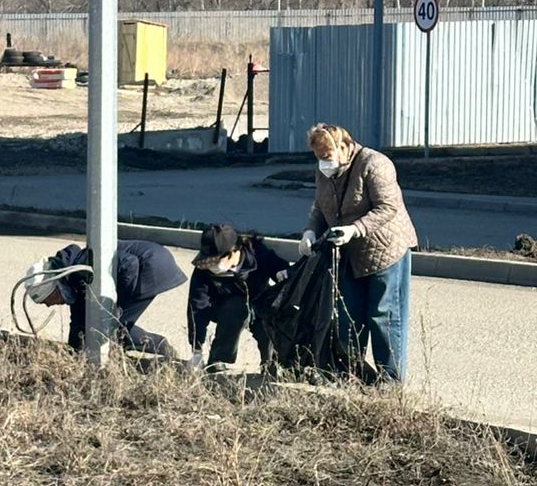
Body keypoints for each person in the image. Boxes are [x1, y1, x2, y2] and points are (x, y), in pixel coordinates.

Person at [299, 122, 417, 381]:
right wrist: (310, 231)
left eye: (327, 156)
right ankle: (350, 375)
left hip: (385, 250)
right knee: (348, 316)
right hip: (349, 253)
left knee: (383, 316)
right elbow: (320, 206)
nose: (323, 163)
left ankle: (389, 381)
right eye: (318, 157)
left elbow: (388, 207)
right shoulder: (324, 171)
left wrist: (355, 229)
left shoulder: (375, 164)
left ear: (345, 146)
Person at [21, 239, 186, 357]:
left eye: (46, 301)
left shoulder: (80, 269)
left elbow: (130, 263)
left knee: (114, 330)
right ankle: (153, 345)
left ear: (55, 291)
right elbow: (79, 321)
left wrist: (117, 308)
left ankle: (160, 347)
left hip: (152, 265)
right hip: (148, 262)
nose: (49, 306)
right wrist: (74, 353)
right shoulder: (72, 279)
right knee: (108, 326)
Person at [187, 222, 289, 370]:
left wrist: (282, 273)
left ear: (234, 251)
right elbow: (197, 307)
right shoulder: (203, 270)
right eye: (208, 261)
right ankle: (218, 360)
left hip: (258, 303)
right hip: (224, 308)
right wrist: (196, 349)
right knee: (237, 307)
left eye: (215, 261)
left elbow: (280, 268)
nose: (210, 265)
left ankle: (271, 365)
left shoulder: (257, 254)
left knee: (268, 326)